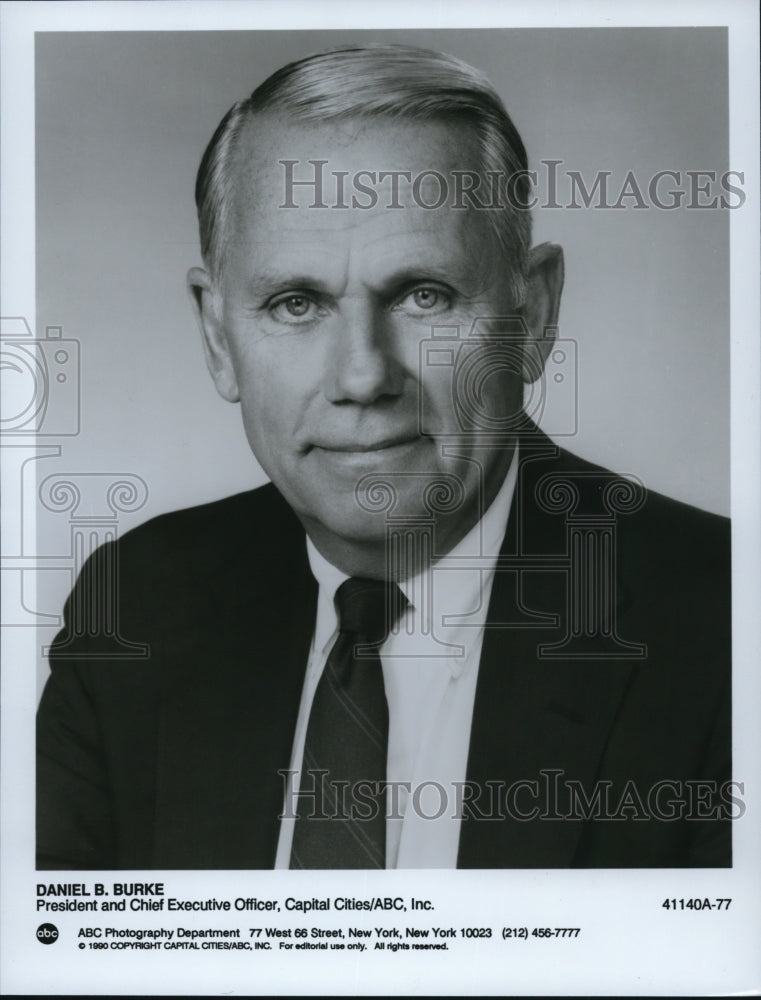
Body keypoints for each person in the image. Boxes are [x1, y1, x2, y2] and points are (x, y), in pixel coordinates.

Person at [36, 44, 732, 870]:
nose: (364, 375)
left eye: (423, 295)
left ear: (534, 314)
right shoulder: (140, 608)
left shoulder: (725, 627)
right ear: (218, 339)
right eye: (296, 304)